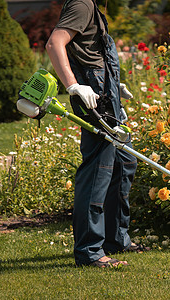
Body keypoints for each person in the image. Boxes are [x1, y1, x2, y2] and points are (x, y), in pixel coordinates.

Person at [46, 0, 146, 268]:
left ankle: (116, 239)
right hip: (92, 95)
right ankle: (90, 251)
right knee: (98, 169)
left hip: (105, 92)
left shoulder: (94, 6)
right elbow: (55, 44)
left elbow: (92, 51)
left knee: (124, 162)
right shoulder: (82, 4)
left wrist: (116, 87)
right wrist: (73, 86)